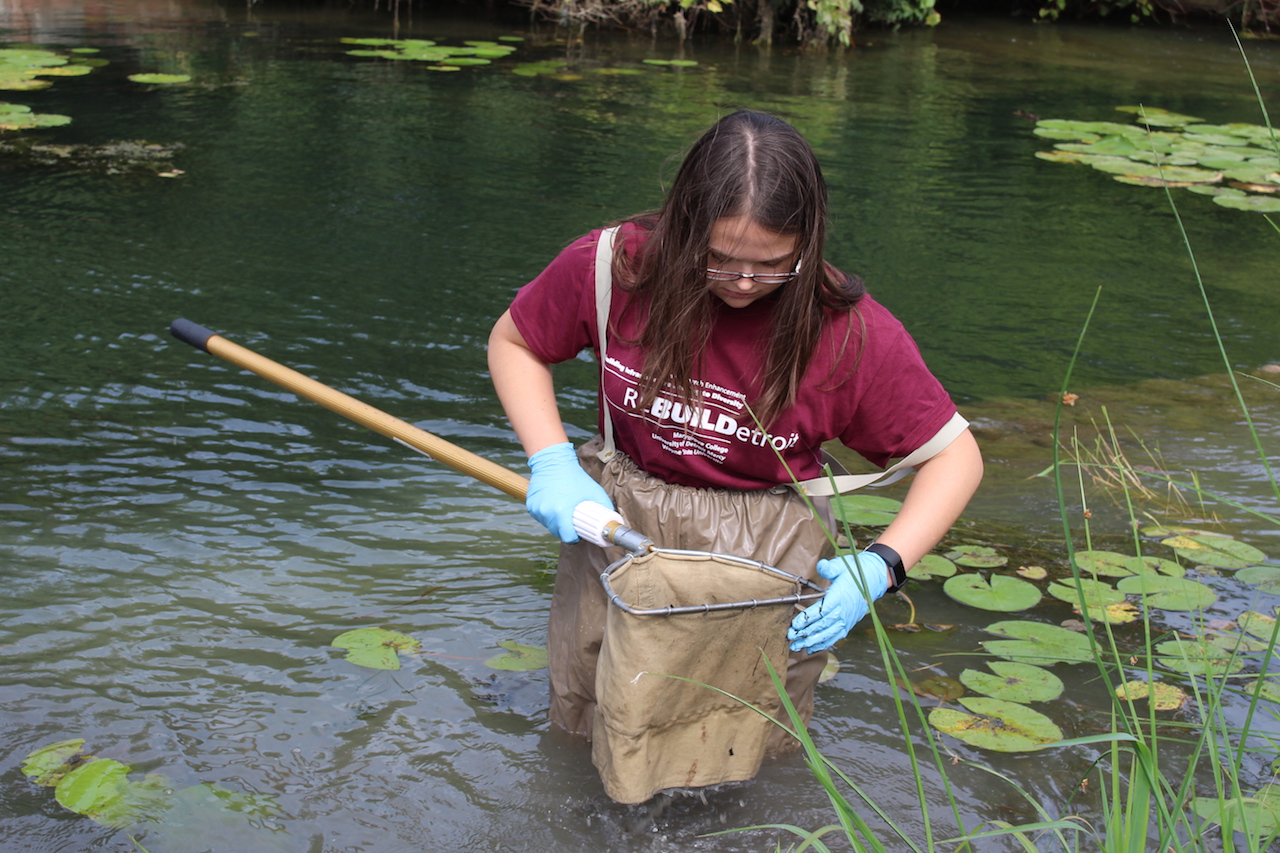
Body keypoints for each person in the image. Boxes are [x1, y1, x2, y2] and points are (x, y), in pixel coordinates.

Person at [487, 110, 983, 794]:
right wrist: (551, 459)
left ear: (806, 245)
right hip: (621, 524)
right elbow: (515, 343)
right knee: (586, 712)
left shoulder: (848, 332)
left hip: (762, 550)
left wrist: (882, 565)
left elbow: (956, 458)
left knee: (743, 746)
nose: (744, 283)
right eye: (719, 258)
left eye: (773, 267)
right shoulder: (616, 270)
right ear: (683, 226)